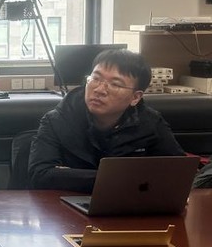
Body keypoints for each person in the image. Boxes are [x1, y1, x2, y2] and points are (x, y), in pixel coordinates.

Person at [28, 49, 185, 192]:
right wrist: (121, 179)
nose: (99, 90)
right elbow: (40, 175)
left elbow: (179, 172)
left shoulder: (150, 123)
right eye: (96, 78)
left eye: (115, 84)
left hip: (128, 206)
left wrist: (72, 175)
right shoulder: (57, 120)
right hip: (66, 206)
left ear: (135, 97)